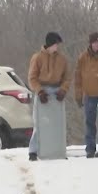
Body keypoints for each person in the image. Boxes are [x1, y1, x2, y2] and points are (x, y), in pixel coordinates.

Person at [27, 31, 70, 161]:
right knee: (39, 123)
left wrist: (63, 90)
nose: (57, 47)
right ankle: (33, 151)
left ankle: (59, 150)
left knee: (58, 124)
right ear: (50, 44)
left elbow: (67, 77)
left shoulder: (62, 59)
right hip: (43, 90)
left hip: (57, 91)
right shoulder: (37, 58)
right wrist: (39, 91)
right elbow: (32, 78)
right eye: (56, 44)